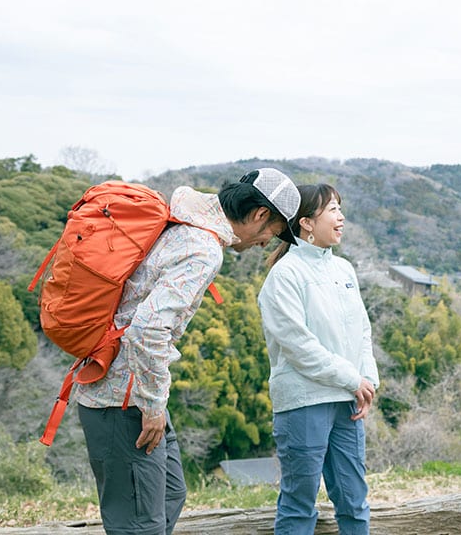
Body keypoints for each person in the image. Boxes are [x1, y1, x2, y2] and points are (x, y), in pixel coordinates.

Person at [75, 167, 301, 535]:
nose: (267, 242)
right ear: (261, 215)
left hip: (126, 388)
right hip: (122, 398)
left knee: (170, 494)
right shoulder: (203, 248)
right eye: (274, 231)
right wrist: (151, 405)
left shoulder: (186, 221)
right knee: (141, 525)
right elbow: (147, 329)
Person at [257, 183, 380, 535]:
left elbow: (362, 332)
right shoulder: (285, 275)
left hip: (348, 400)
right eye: (333, 210)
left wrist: (366, 381)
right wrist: (351, 379)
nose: (341, 217)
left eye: (341, 209)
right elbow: (299, 346)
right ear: (307, 222)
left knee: (354, 502)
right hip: (304, 401)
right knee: (299, 504)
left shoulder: (344, 271)